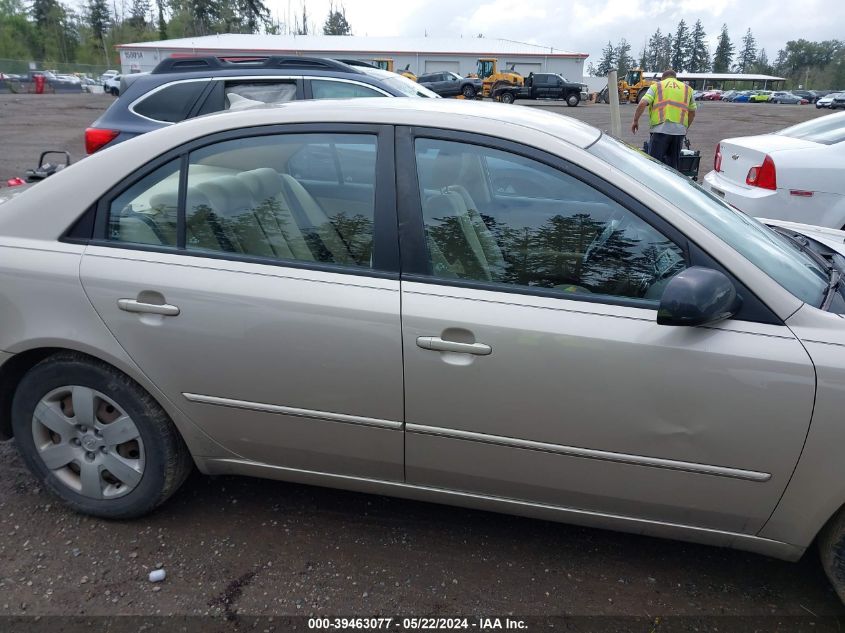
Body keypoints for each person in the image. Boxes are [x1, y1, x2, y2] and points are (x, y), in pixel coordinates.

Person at [631, 69, 696, 170]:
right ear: (675, 78)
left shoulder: (657, 86)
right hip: (679, 132)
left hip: (660, 130)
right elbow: (692, 112)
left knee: (654, 165)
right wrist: (685, 128)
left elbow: (642, 103)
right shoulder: (687, 89)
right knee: (673, 168)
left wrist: (635, 121)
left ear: (663, 78)